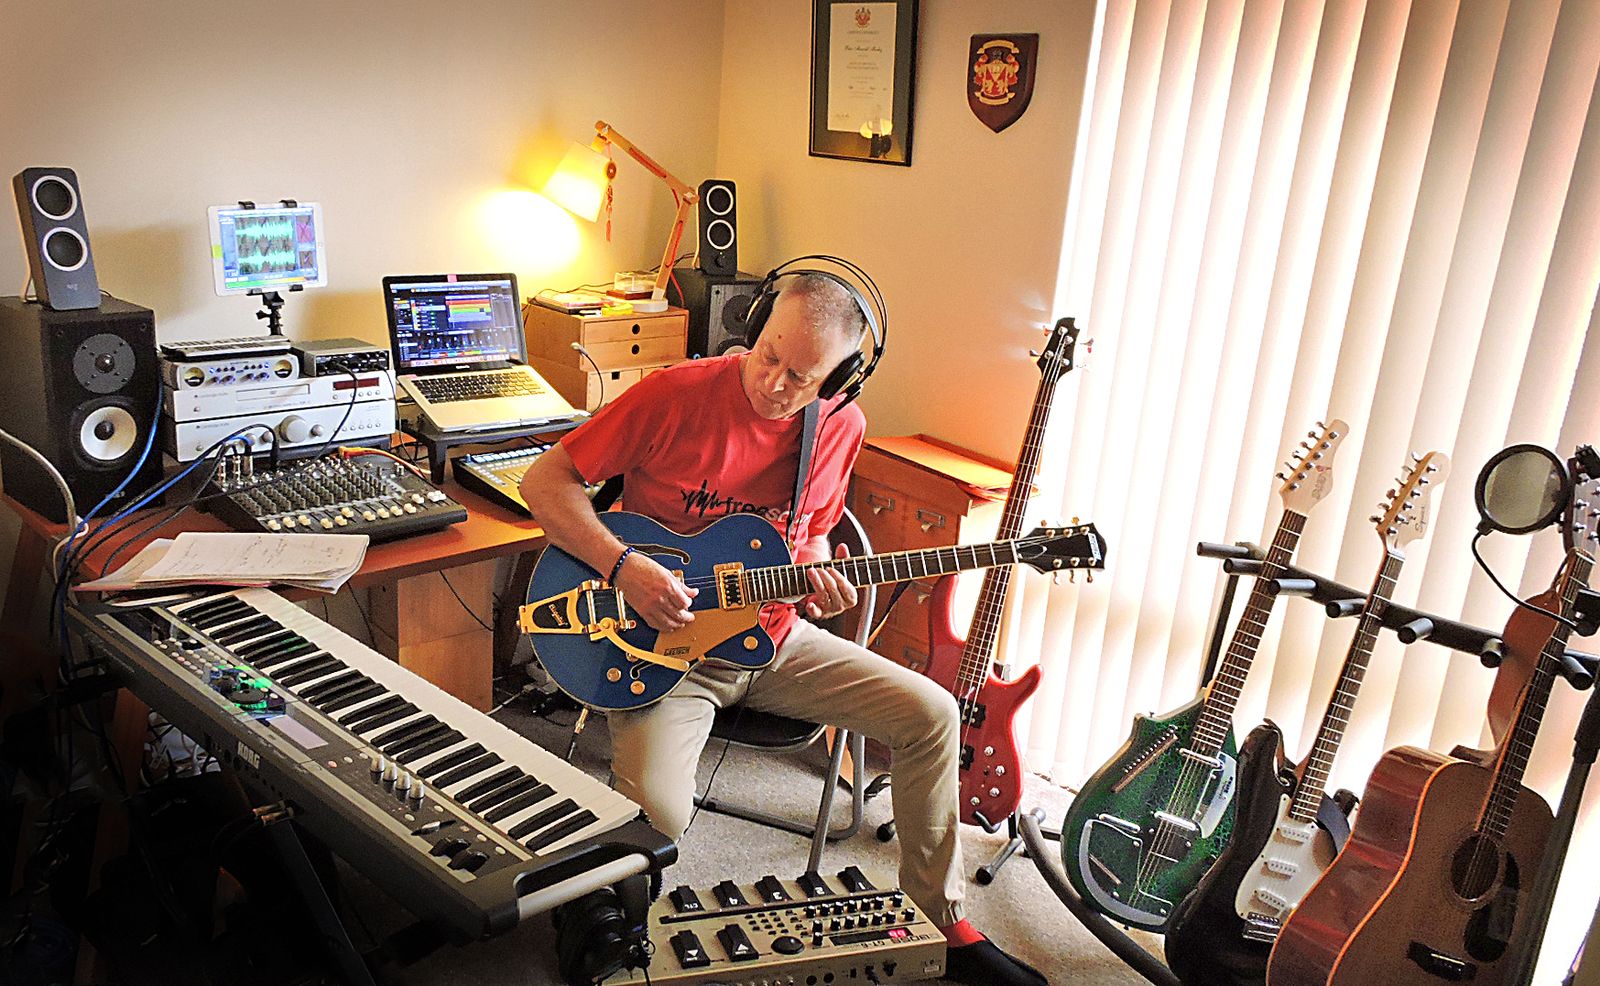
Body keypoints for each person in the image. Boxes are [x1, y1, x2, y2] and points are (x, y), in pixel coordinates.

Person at [520, 271, 1048, 986]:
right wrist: (624, 567)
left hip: (773, 639)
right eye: (768, 355)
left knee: (932, 713)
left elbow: (812, 534)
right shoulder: (674, 395)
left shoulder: (839, 426)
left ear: (843, 376)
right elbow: (544, 481)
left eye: (802, 376)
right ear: (757, 326)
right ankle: (597, 902)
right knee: (661, 817)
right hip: (662, 648)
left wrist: (819, 575)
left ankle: (943, 925)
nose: (774, 384)